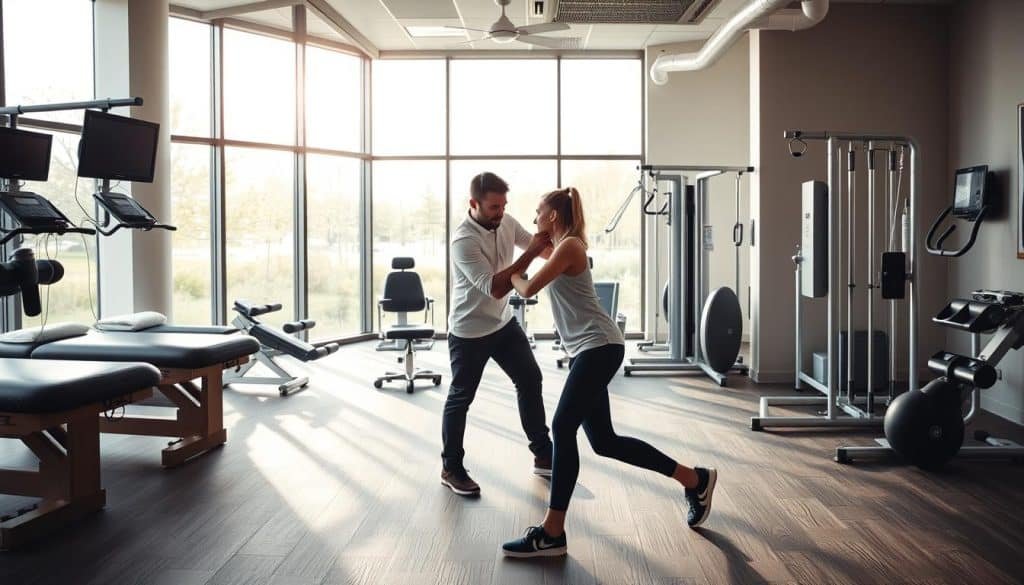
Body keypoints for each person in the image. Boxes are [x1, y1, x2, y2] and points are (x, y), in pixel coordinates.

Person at [501, 186, 718, 558]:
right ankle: (695, 479)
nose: (534, 218)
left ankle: (553, 532)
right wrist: (532, 254)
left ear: (553, 216)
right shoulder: (561, 247)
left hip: (599, 347)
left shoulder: (569, 245)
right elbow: (529, 276)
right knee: (604, 441)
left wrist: (515, 268)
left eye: (538, 212)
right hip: (593, 349)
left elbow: (525, 288)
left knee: (563, 427)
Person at [442, 172, 555, 496]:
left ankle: (543, 454)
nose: (501, 212)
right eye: (493, 206)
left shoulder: (506, 222)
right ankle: (451, 467)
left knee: (530, 379)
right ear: (474, 204)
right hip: (469, 331)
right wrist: (532, 251)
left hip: (502, 323)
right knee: (461, 398)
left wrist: (564, 242)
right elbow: (494, 287)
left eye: (504, 205)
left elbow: (545, 250)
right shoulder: (463, 240)